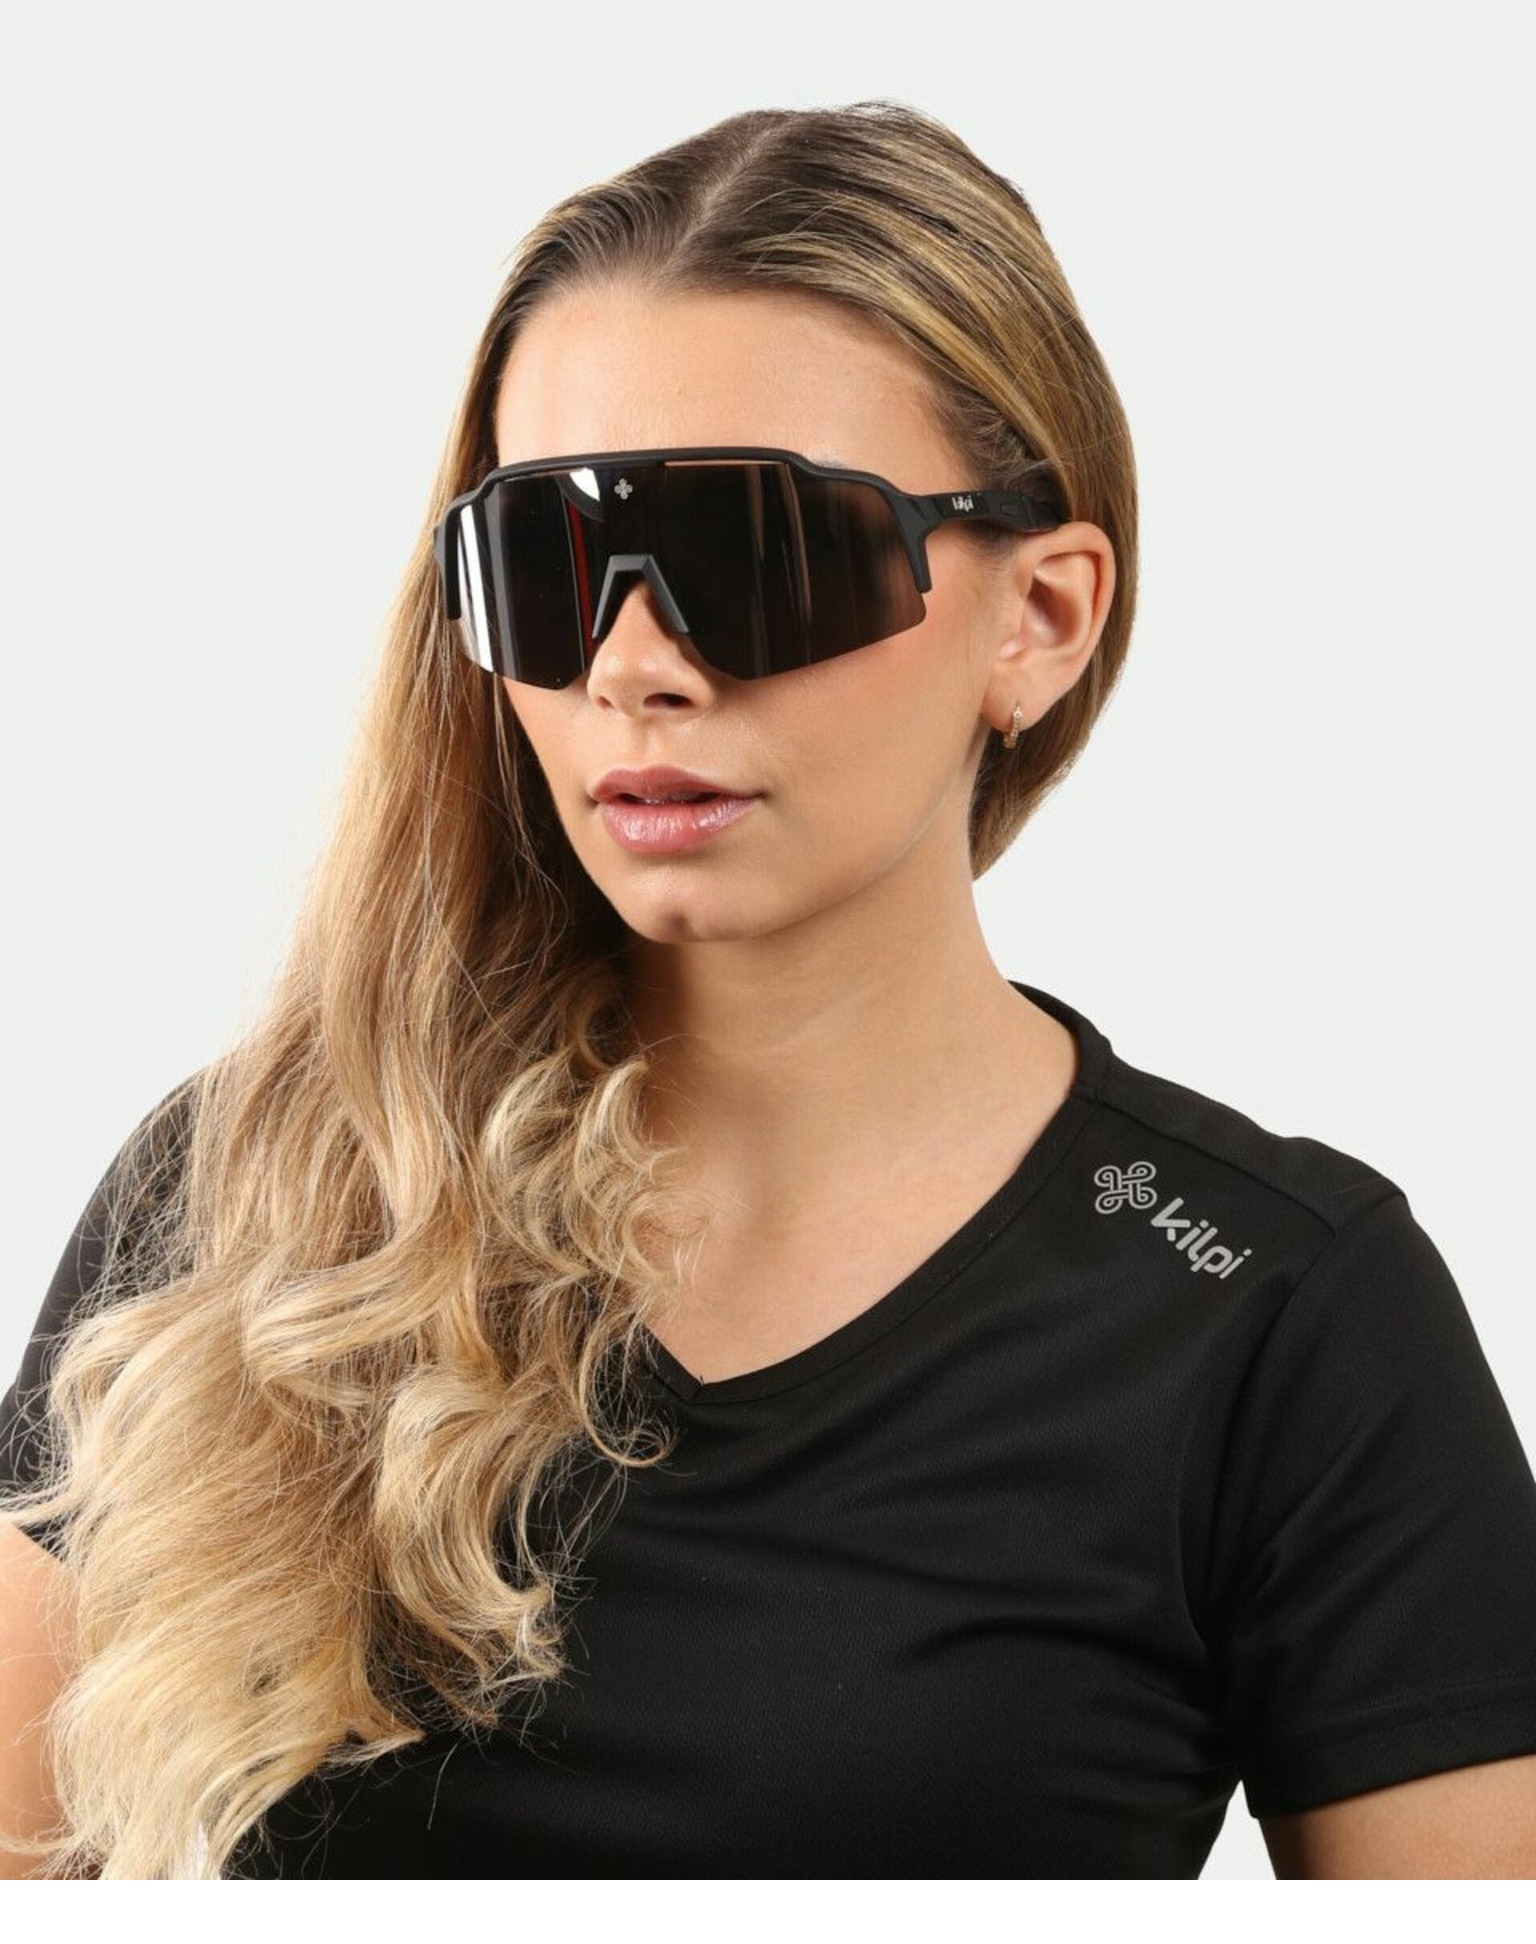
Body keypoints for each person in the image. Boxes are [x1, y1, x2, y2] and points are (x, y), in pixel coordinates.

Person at [2, 99, 1535, 1884]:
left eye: (759, 555)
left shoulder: (1278, 1311)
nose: (635, 664)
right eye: (548, 562)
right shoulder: (262, 1197)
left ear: (1040, 618)